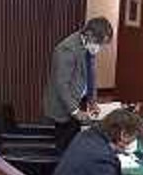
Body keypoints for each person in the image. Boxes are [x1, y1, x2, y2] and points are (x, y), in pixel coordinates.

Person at [43, 17, 114, 153]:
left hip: (78, 101)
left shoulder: (89, 45)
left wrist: (92, 101)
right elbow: (61, 85)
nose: (99, 47)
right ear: (89, 34)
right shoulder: (67, 49)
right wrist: (75, 111)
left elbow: (91, 76)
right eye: (99, 42)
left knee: (75, 143)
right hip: (63, 109)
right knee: (64, 149)